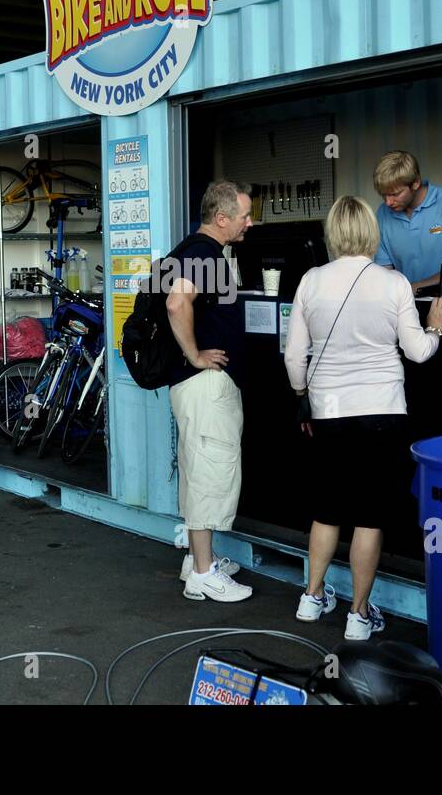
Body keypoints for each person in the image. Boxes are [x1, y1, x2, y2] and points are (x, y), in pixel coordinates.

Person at [284, 195, 442, 639]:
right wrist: (435, 326)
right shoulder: (393, 283)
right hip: (382, 412)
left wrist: (303, 394)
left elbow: (293, 355)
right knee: (369, 516)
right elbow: (417, 352)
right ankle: (359, 615)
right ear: (371, 233)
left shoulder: (311, 281)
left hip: (329, 412)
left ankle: (312, 596)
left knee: (327, 510)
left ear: (333, 233)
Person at [165, 180, 255, 602]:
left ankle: (199, 559)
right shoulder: (204, 254)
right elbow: (176, 303)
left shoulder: (187, 248)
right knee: (207, 472)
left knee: (196, 467)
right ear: (222, 219)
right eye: (244, 217)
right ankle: (203, 572)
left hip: (193, 387)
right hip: (203, 385)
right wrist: (196, 354)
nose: (249, 223)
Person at [372, 150, 442, 290]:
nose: (388, 202)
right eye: (383, 195)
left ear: (415, 183)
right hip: (403, 303)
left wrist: (415, 288)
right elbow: (384, 271)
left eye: (395, 194)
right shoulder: (383, 213)